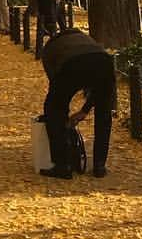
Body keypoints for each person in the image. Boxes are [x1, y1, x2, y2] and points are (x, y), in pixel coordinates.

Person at [39, 27, 116, 180]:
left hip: (71, 65)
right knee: (104, 114)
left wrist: (63, 118)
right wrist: (84, 110)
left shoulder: (48, 50)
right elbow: (99, 91)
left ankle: (62, 166)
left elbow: (56, 86)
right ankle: (99, 166)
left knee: (53, 108)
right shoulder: (86, 39)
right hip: (104, 62)